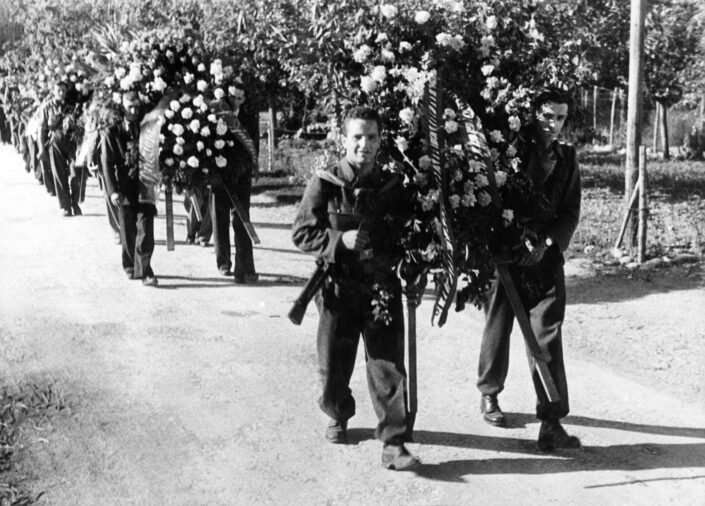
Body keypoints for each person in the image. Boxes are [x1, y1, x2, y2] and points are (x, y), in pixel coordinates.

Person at [292, 106, 418, 471]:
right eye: (357, 137)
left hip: (380, 286)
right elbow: (302, 233)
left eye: (372, 137)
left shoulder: (393, 187)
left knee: (388, 367)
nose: (364, 144)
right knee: (333, 367)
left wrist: (413, 262)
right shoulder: (326, 183)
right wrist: (339, 239)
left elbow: (408, 234)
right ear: (343, 140)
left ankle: (393, 443)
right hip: (337, 288)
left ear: (381, 141)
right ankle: (338, 411)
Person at [476, 88, 581, 452]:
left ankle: (551, 420)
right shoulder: (509, 153)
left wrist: (548, 244)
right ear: (532, 115)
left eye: (561, 117)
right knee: (498, 325)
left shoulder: (567, 159)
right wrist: (514, 242)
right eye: (547, 116)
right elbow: (491, 201)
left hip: (546, 260)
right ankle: (489, 393)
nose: (554, 125)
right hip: (508, 258)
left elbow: (569, 212)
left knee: (546, 333)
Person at [100, 91, 158, 287]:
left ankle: (146, 271)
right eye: (129, 106)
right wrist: (113, 190)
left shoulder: (148, 127)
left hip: (146, 184)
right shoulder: (112, 132)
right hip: (124, 187)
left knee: (146, 229)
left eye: (136, 106)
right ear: (122, 106)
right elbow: (107, 163)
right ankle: (129, 265)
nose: (133, 111)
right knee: (128, 229)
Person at [209, 81, 259, 282]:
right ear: (225, 96)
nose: (235, 101)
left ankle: (245, 267)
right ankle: (223, 262)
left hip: (241, 174)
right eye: (232, 97)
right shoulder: (217, 115)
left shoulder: (248, 118)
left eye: (239, 98)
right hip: (220, 173)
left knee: (241, 219)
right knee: (219, 218)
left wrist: (251, 168)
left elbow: (254, 145)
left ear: (244, 99)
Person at [37, 81, 82, 216]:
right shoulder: (46, 107)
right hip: (55, 143)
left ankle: (75, 202)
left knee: (76, 173)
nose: (61, 93)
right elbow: (41, 129)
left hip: (71, 143)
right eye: (58, 91)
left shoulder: (71, 105)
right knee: (60, 174)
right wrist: (41, 149)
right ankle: (65, 206)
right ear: (53, 91)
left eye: (63, 90)